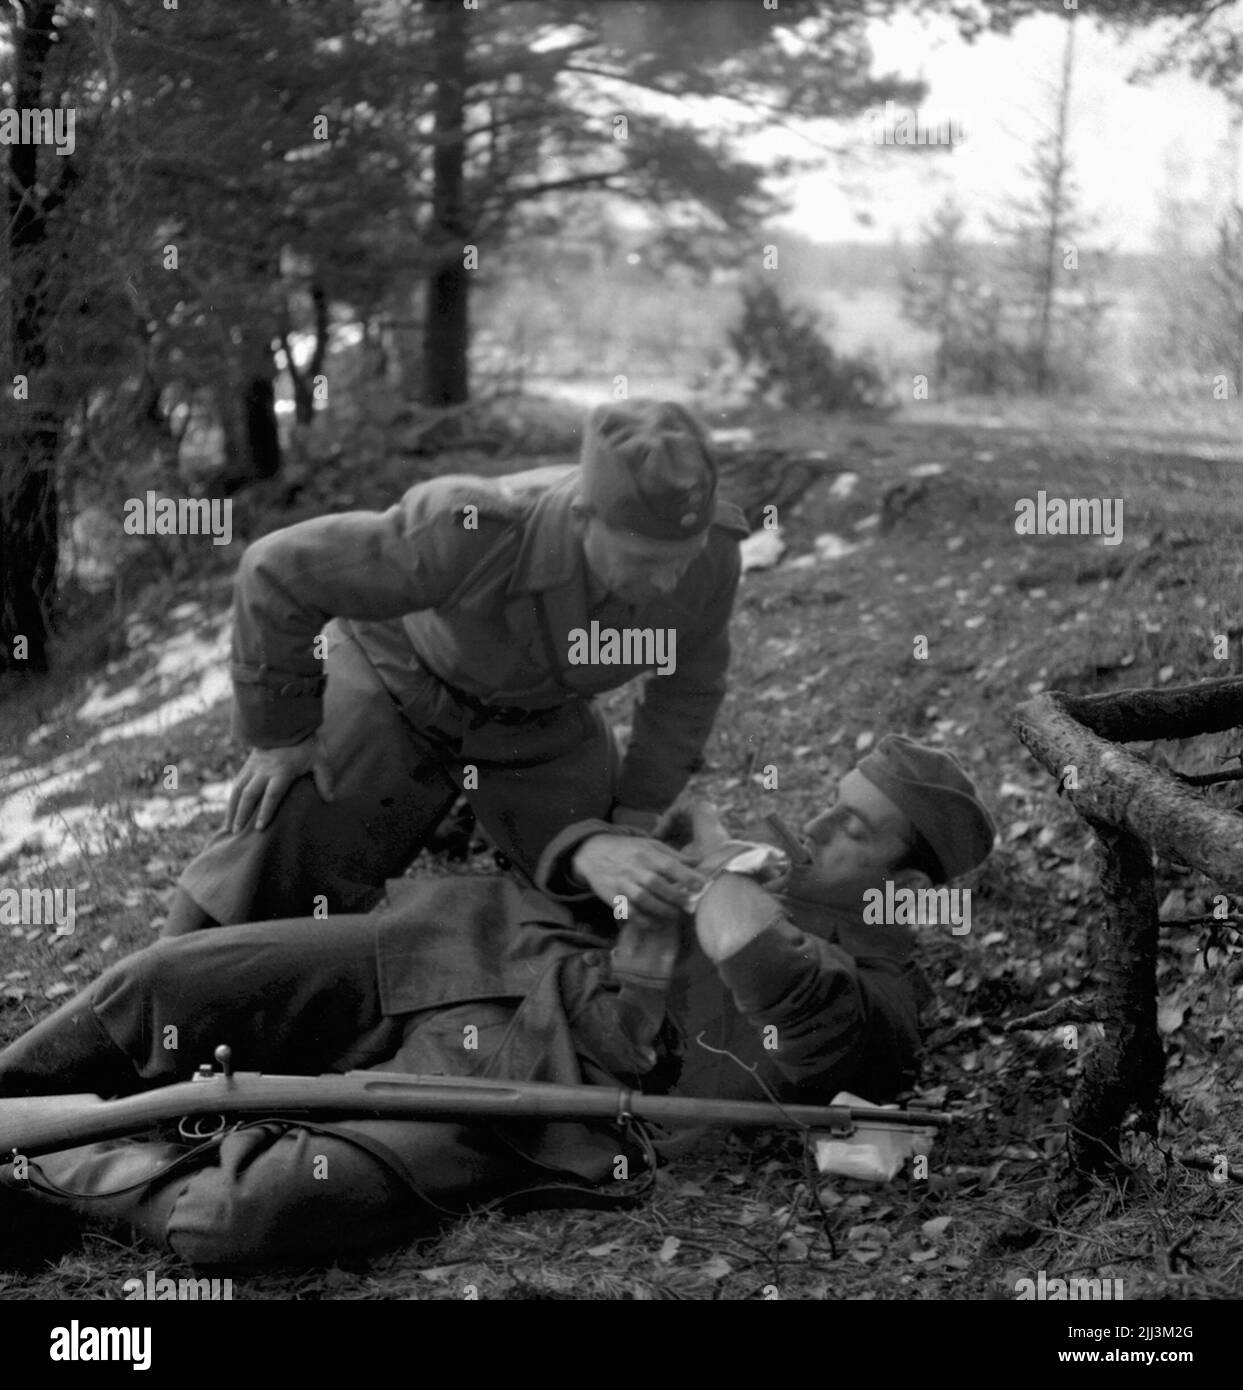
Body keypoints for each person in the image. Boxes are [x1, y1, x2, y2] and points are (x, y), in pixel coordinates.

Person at [0, 736, 994, 1271]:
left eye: (855, 829)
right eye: (834, 800)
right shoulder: (769, 849)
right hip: (471, 950)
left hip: (539, 1090)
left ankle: (49, 1166)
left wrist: (706, 866)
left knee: (241, 1217)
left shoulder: (881, 993)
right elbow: (575, 831)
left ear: (900, 881)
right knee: (163, 984)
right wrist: (623, 846)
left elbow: (771, 972)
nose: (818, 823)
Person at [164, 398, 748, 935]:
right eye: (645, 561)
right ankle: (159, 996)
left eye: (682, 559)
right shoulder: (472, 528)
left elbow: (689, 687)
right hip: (397, 683)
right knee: (267, 865)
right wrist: (280, 736)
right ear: (580, 517)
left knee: (615, 899)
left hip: (538, 725)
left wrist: (638, 808)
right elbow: (277, 571)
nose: (669, 581)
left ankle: (463, 825)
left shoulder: (713, 555)